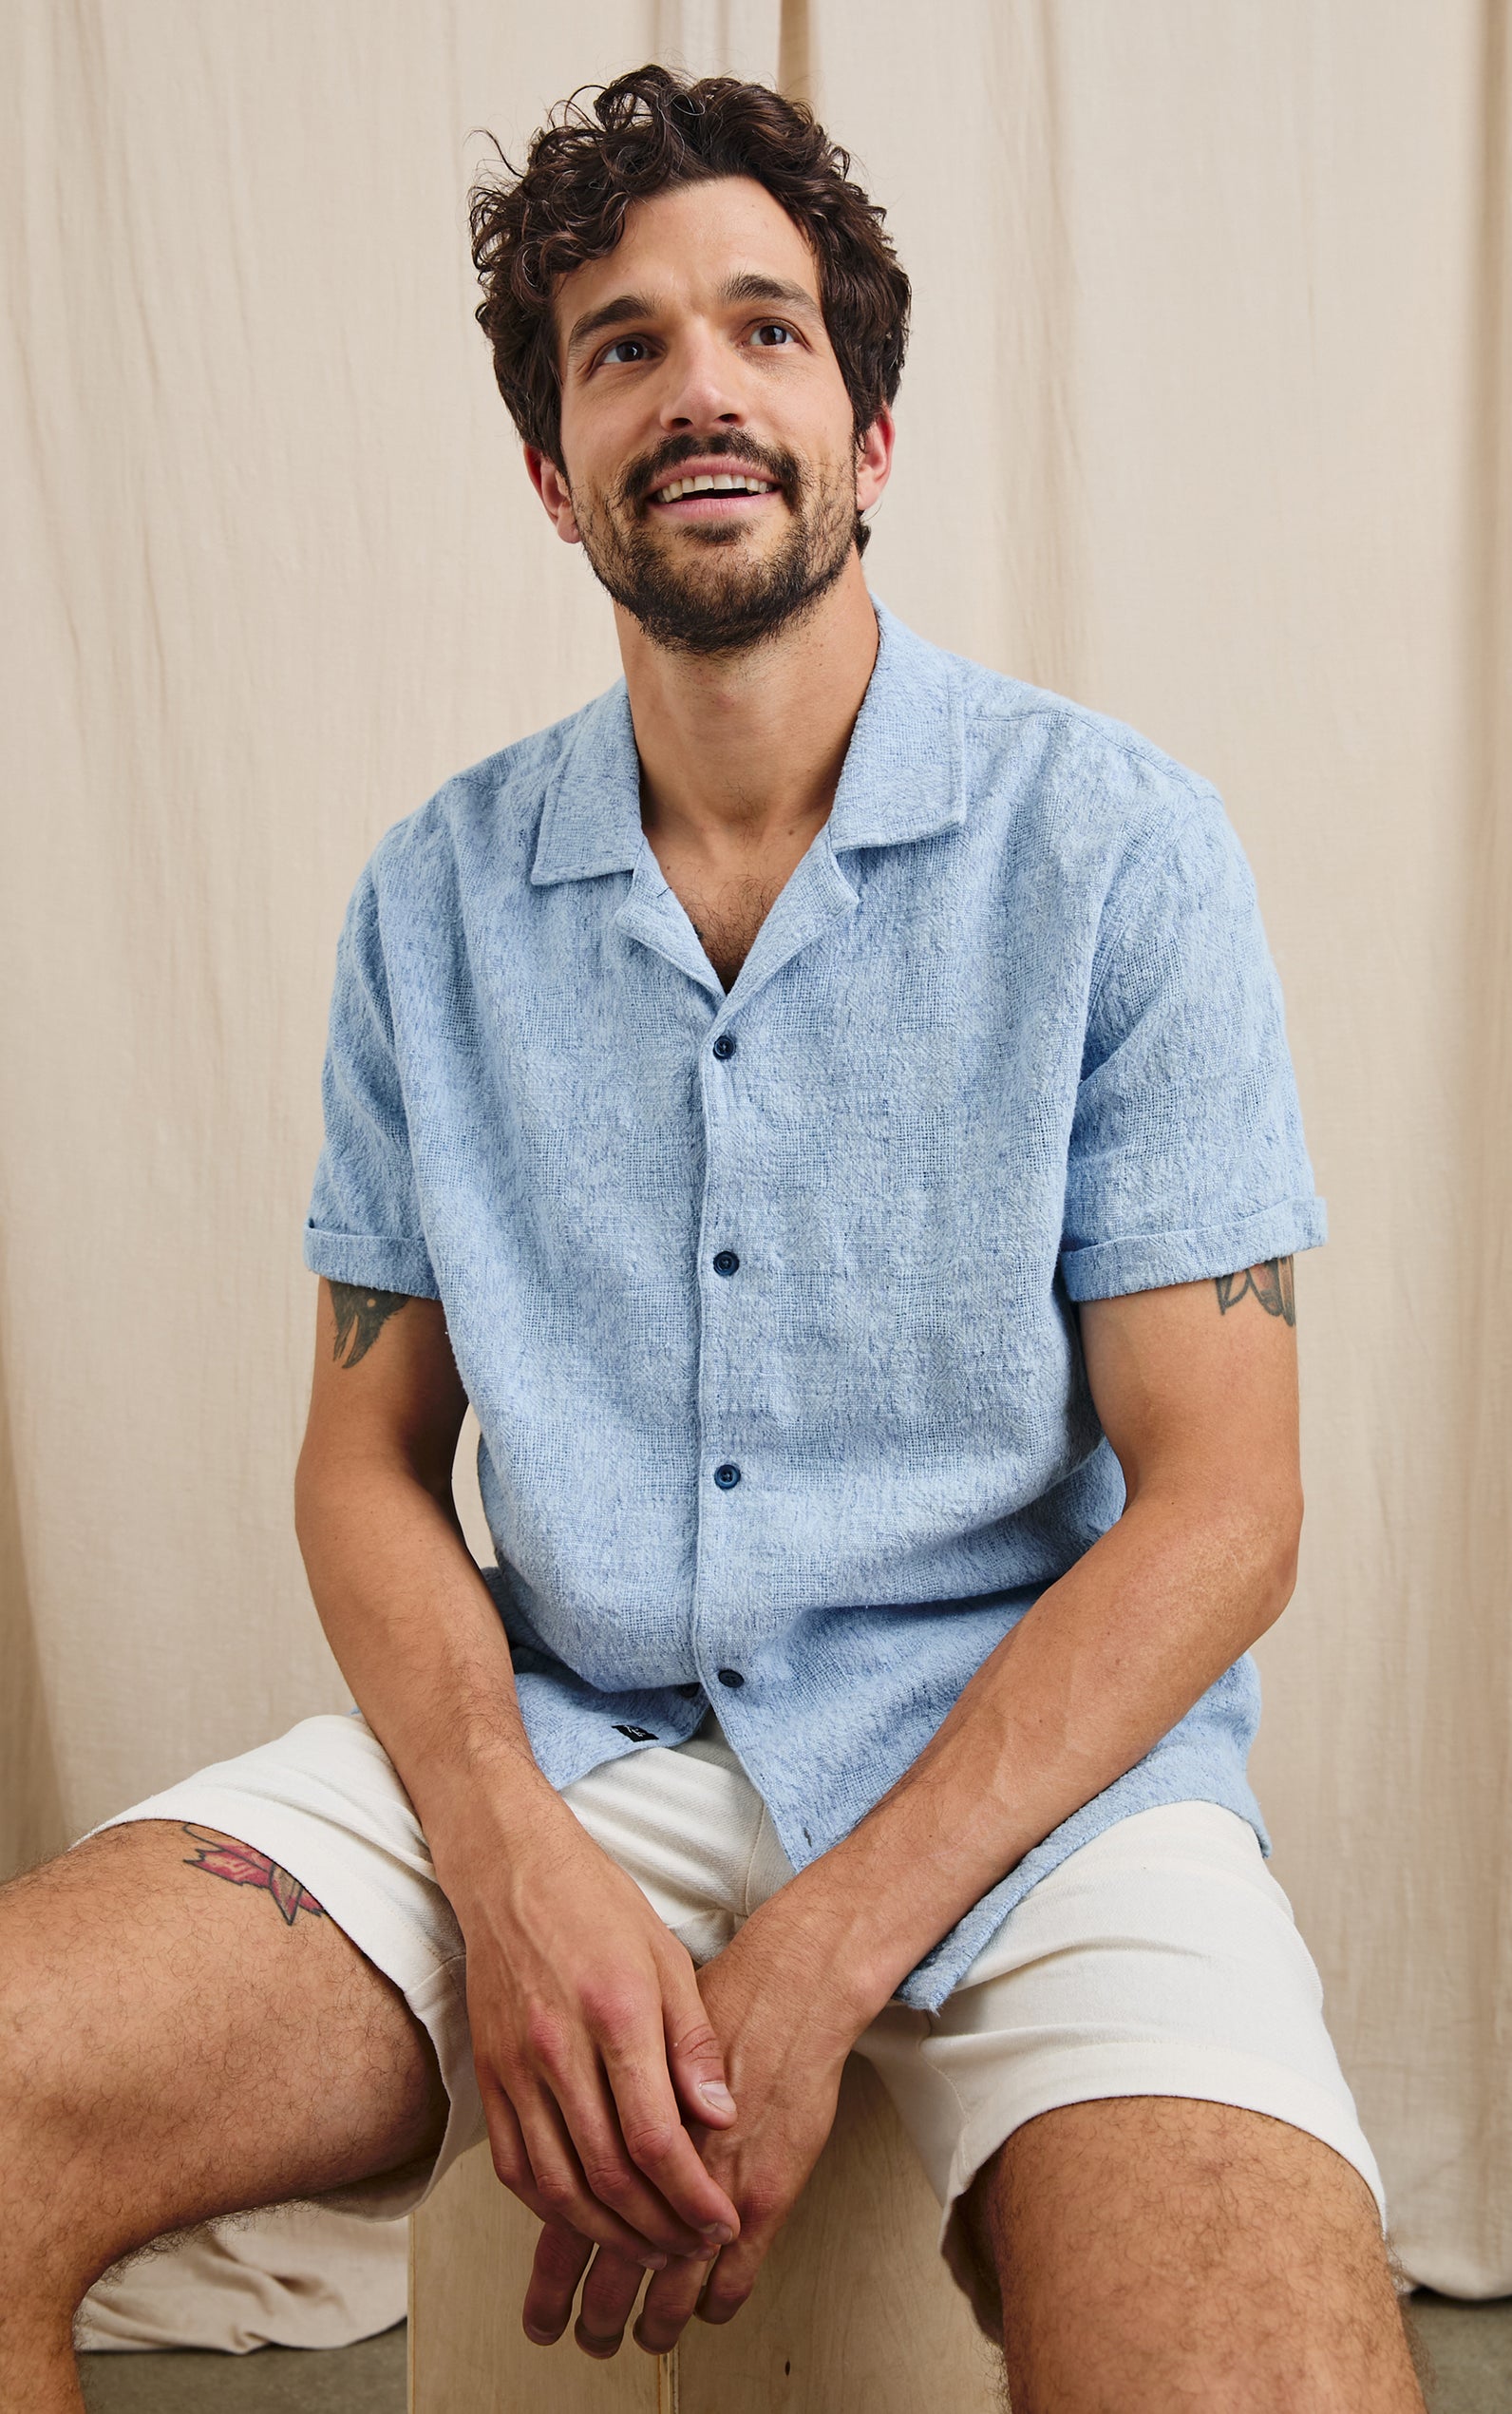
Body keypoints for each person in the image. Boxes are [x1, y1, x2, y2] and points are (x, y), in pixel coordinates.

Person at [0, 64, 1427, 2412]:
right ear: (552, 471)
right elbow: (363, 1451)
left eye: (764, 329)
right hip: (561, 1725)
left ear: (870, 431)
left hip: (1044, 1784)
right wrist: (509, 1850)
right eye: (623, 343)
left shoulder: (1116, 854)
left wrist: (826, 1944)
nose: (700, 387)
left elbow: (1227, 1501)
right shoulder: (429, 904)